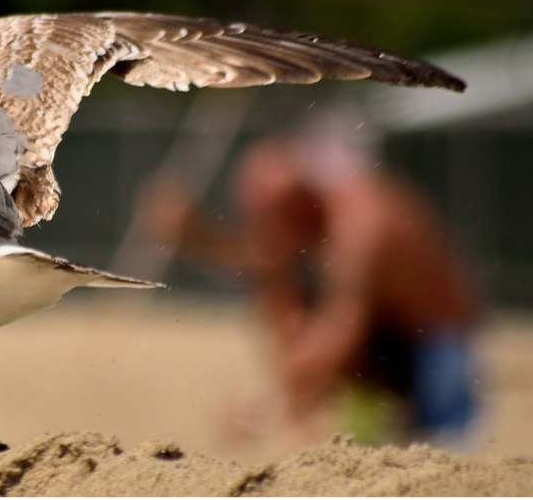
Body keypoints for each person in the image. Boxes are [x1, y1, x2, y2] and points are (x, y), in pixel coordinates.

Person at [137, 128, 481, 448]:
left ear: (304, 200)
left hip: (434, 339)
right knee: (284, 298)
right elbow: (264, 259)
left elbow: (345, 328)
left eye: (279, 216)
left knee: (442, 443)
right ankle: (355, 429)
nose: (272, 229)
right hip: (378, 341)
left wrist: (271, 399)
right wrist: (195, 236)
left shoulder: (362, 226)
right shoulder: (304, 220)